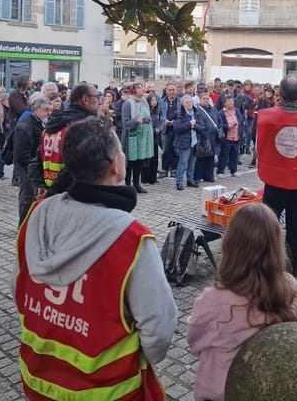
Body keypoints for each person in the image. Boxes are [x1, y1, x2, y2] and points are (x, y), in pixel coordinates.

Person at [15, 116, 177, 400]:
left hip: (39, 381)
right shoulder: (133, 240)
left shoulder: (35, 216)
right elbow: (158, 330)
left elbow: (19, 289)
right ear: (115, 165)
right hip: (108, 390)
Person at [187, 203, 297, 401]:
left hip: (220, 391)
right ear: (276, 245)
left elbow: (195, 340)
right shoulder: (289, 287)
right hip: (267, 388)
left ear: (231, 243)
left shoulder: (213, 298)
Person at [256, 76, 297, 277]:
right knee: (295, 232)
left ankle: (265, 272)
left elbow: (259, 148)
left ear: (280, 94)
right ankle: (290, 276)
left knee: (267, 230)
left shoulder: (266, 117)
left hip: (274, 183)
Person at [34, 83, 101, 195]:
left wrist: (40, 185)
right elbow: (78, 166)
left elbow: (36, 161)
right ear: (85, 99)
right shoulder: (85, 126)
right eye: (97, 97)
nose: (99, 102)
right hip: (76, 193)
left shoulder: (51, 126)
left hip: (50, 190)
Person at [13, 93, 51, 224]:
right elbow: (21, 154)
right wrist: (33, 167)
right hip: (26, 168)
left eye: (49, 110)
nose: (48, 113)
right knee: (27, 198)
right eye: (46, 110)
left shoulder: (39, 123)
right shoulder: (25, 126)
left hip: (33, 167)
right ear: (36, 110)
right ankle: (23, 227)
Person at [121, 81, 153, 194]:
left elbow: (149, 117)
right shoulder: (128, 103)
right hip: (132, 137)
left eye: (142, 87)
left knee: (139, 161)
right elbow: (125, 123)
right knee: (130, 162)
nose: (142, 89)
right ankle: (128, 185)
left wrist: (146, 120)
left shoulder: (144, 102)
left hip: (142, 137)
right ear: (134, 91)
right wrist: (136, 121)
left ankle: (137, 184)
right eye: (139, 88)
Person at [173, 94, 204, 190]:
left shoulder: (197, 113)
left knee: (192, 163)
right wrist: (189, 124)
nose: (189, 104)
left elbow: (202, 128)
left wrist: (194, 126)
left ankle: (190, 180)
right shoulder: (179, 114)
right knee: (183, 163)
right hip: (184, 143)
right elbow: (177, 128)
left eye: (190, 102)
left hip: (194, 142)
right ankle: (179, 182)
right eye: (186, 102)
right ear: (182, 104)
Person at [193, 91, 219, 184]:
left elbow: (218, 120)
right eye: (204, 98)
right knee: (200, 158)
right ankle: (197, 177)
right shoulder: (197, 110)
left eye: (207, 99)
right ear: (200, 99)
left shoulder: (213, 109)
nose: (206, 100)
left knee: (210, 157)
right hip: (202, 137)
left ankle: (208, 176)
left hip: (212, 137)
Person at [216, 94, 243, 179]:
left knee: (234, 154)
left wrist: (241, 130)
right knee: (224, 154)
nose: (232, 103)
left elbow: (241, 120)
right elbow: (219, 125)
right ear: (225, 103)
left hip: (236, 136)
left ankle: (233, 170)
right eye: (229, 101)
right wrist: (228, 126)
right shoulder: (221, 113)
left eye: (232, 101)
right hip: (227, 136)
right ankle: (220, 171)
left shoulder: (237, 111)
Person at [159, 83, 180, 177]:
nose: (171, 92)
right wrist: (164, 121)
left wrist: (175, 122)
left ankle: (174, 170)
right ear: (166, 91)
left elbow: (183, 115)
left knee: (176, 150)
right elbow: (158, 115)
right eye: (169, 90)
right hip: (165, 129)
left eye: (173, 90)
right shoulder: (161, 102)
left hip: (177, 129)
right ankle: (164, 169)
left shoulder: (180, 101)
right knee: (165, 150)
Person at [141, 93, 162, 185]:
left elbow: (160, 122)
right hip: (147, 137)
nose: (154, 102)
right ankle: (145, 178)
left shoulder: (157, 112)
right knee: (147, 158)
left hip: (156, 137)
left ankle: (153, 178)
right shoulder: (146, 112)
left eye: (155, 100)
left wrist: (159, 128)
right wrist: (154, 130)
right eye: (152, 100)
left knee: (155, 157)